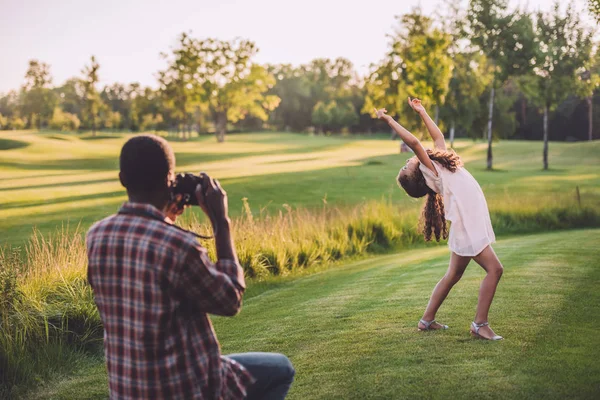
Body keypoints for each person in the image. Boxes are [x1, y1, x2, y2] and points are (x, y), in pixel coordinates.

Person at [86, 134, 295, 399]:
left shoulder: (97, 235)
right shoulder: (177, 245)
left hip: (129, 390)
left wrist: (166, 216)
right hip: (185, 389)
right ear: (168, 179)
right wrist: (222, 222)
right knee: (280, 370)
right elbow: (230, 300)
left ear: (122, 179)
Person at [374, 98, 504, 341]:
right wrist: (388, 119)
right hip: (467, 225)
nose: (407, 162)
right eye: (406, 166)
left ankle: (426, 320)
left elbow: (438, 137)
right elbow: (413, 142)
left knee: (453, 275)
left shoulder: (439, 164)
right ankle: (480, 324)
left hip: (468, 221)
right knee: (495, 270)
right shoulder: (431, 172)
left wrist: (422, 112)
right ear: (418, 174)